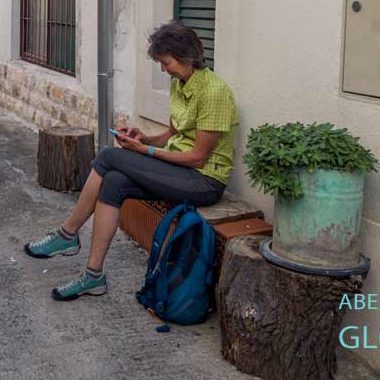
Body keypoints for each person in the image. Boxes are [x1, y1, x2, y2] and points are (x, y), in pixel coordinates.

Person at [23, 20, 239, 301]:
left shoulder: (214, 92)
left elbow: (198, 158)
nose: (163, 68)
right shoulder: (179, 83)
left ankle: (67, 234)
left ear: (186, 57)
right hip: (177, 170)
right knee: (113, 182)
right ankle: (93, 277)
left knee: (108, 156)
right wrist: (144, 139)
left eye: (166, 61)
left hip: (204, 181)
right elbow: (175, 134)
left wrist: (142, 152)